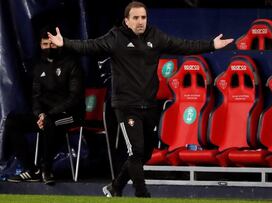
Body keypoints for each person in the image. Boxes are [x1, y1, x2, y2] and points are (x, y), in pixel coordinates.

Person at [48, 1, 233, 198]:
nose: (140, 22)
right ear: (126, 21)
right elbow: (90, 46)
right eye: (135, 18)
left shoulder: (156, 36)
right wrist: (65, 43)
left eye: (143, 17)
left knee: (144, 153)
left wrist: (211, 44)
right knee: (135, 151)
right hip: (126, 105)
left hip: (149, 104)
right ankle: (141, 193)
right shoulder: (115, 37)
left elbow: (183, 45)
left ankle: (116, 186)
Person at [5, 27, 85, 185]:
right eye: (45, 44)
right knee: (12, 121)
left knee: (49, 123)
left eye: (52, 43)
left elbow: (74, 97)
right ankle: (32, 170)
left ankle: (47, 169)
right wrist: (39, 114)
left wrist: (48, 115)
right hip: (46, 115)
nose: (49, 47)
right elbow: (36, 97)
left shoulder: (71, 64)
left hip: (70, 115)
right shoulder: (39, 67)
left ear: (59, 43)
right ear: (40, 45)